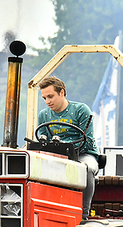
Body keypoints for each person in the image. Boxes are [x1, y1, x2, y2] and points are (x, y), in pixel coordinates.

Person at [37, 76, 100, 219]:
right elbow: (42, 140)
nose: (48, 102)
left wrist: (67, 148)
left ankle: (84, 213)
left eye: (50, 96)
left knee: (87, 168)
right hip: (56, 156)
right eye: (45, 98)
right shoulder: (44, 115)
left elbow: (88, 141)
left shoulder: (80, 110)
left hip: (82, 154)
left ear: (62, 93)